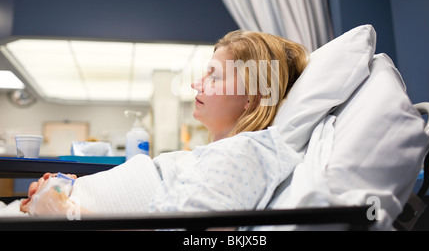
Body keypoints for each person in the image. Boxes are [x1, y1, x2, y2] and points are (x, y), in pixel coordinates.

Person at [20, 30, 309, 216]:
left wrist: (63, 212)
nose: (197, 84)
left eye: (214, 76)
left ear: (253, 97)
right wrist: (70, 189)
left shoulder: (242, 155)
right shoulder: (217, 155)